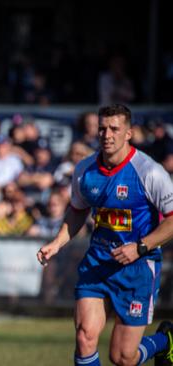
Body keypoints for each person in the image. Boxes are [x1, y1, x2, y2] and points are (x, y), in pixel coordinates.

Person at [37, 104, 173, 366]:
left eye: (114, 129)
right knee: (85, 336)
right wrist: (57, 243)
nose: (107, 134)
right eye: (102, 128)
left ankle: (164, 341)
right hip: (98, 262)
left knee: (122, 358)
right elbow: (77, 211)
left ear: (128, 133)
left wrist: (140, 247)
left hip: (138, 268)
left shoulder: (149, 172)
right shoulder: (85, 171)